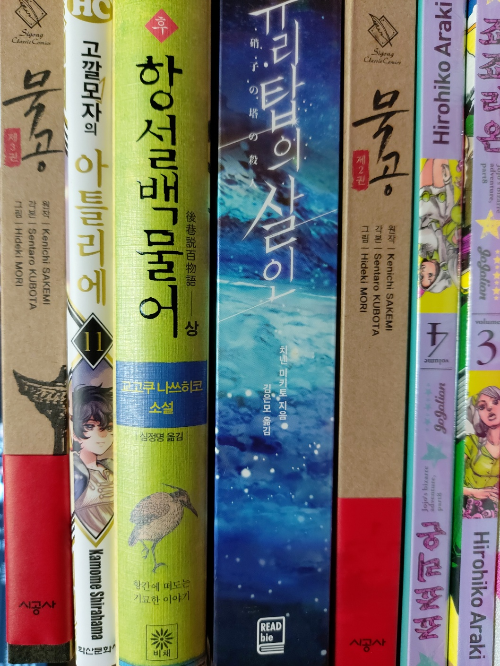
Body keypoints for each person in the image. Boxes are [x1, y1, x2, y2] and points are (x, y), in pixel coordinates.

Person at [72, 384, 114, 538]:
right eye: (90, 426)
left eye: (109, 428)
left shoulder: (110, 467)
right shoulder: (74, 470)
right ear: (74, 431)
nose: (102, 436)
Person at [463, 386, 500, 518]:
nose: (489, 408)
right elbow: (447, 480)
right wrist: (473, 492)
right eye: (482, 407)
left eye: (495, 402)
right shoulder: (470, 442)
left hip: (493, 512)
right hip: (466, 507)